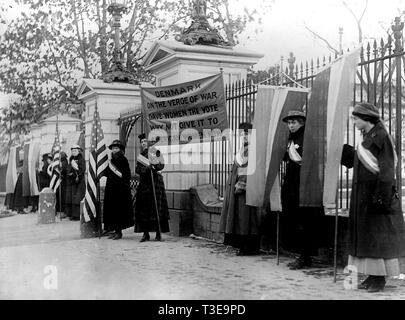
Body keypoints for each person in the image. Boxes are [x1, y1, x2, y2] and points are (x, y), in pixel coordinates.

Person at [341, 102, 405, 292]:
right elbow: (362, 162)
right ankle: (371, 276)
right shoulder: (369, 136)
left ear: (366, 119)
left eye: (356, 118)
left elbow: (386, 171)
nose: (354, 122)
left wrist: (380, 198)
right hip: (364, 195)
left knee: (377, 239)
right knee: (367, 238)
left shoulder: (381, 137)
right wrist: (346, 153)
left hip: (377, 196)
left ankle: (379, 279)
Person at [280, 110, 323, 269]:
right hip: (293, 184)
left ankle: (305, 256)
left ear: (302, 123)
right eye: (289, 123)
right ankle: (301, 254)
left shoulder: (307, 138)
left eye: (294, 123)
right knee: (295, 219)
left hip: (304, 185)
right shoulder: (292, 138)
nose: (290, 126)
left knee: (305, 220)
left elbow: (308, 159)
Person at [219, 122, 261, 255]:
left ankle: (248, 247)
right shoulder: (244, 148)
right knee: (239, 217)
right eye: (242, 134)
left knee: (245, 218)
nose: (244, 137)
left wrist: (241, 184)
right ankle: (241, 245)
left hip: (245, 190)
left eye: (247, 134)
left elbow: (247, 169)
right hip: (236, 188)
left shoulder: (252, 150)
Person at [134, 133, 170, 242]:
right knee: (144, 209)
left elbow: (161, 165)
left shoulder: (156, 152)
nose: (144, 144)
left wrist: (153, 166)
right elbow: (137, 169)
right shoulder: (141, 156)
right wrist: (145, 169)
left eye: (145, 141)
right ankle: (145, 234)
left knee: (156, 208)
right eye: (142, 142)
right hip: (145, 184)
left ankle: (158, 233)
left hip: (155, 183)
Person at [102, 140, 134, 240]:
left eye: (116, 148)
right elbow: (107, 173)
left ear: (120, 149)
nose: (114, 150)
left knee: (118, 211)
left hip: (120, 189)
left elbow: (126, 174)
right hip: (111, 188)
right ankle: (113, 229)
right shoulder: (110, 161)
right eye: (113, 148)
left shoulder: (123, 160)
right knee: (112, 210)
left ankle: (119, 232)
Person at [65, 145, 86, 221]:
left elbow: (82, 169)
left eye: (75, 151)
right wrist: (69, 174)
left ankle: (77, 215)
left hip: (79, 181)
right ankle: (72, 214)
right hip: (72, 181)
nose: (73, 152)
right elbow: (69, 168)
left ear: (79, 151)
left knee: (78, 198)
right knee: (72, 198)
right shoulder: (71, 159)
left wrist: (75, 174)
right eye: (72, 151)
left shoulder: (81, 159)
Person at [55, 151, 68, 218]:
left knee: (61, 197)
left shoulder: (64, 163)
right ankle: (60, 212)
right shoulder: (64, 162)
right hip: (62, 182)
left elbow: (63, 171)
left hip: (63, 183)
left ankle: (61, 212)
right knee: (60, 197)